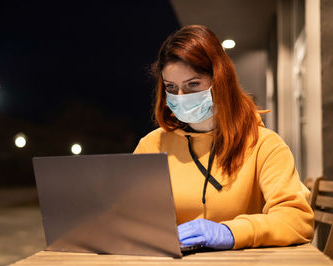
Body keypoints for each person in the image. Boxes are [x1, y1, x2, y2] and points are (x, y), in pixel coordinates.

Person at [133, 25, 314, 250]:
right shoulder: (152, 145)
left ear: (220, 80)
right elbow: (126, 217)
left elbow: (297, 220)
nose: (180, 97)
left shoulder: (264, 145)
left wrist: (231, 232)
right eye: (171, 87)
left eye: (192, 85)